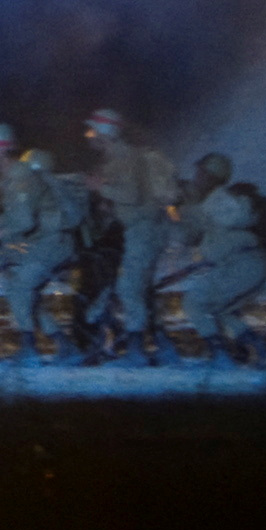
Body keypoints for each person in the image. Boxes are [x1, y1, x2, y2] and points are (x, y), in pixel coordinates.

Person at [82, 109, 180, 366]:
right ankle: (163, 346)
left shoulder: (123, 158)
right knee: (141, 291)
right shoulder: (123, 157)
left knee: (129, 289)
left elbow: (132, 196)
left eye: (92, 130)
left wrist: (99, 188)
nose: (88, 135)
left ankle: (136, 351)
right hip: (145, 228)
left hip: (144, 230)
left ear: (106, 133)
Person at [0, 125, 76, 363]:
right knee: (19, 289)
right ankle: (64, 345)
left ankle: (30, 350)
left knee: (20, 287)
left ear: (0, 150)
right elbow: (17, 215)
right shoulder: (10, 177)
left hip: (53, 245)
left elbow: (24, 221)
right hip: (42, 244)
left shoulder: (20, 176)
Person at [173, 154, 266, 367]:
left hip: (244, 262)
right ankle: (260, 348)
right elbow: (193, 236)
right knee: (221, 310)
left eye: (200, 173)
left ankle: (220, 354)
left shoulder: (219, 201)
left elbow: (202, 227)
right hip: (252, 262)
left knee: (193, 303)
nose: (195, 178)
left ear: (211, 176)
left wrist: (183, 206)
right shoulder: (215, 201)